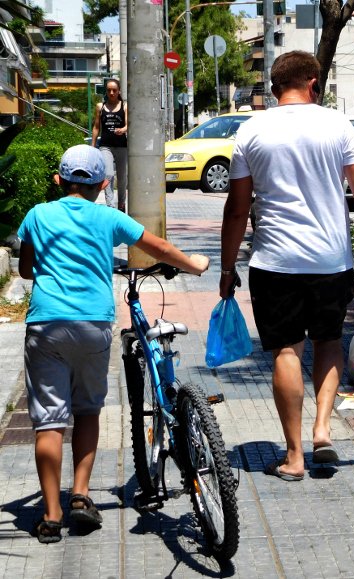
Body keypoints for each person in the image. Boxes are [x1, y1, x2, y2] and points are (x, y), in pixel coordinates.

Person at [17, 145, 210, 543]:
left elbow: (25, 266)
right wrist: (195, 264)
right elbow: (158, 247)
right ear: (103, 184)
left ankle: (51, 515)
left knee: (49, 421)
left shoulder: (38, 215)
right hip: (93, 324)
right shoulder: (108, 216)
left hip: (46, 324)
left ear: (59, 180)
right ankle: (81, 496)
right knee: (87, 410)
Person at [219, 51, 354, 481]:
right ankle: (322, 430)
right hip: (330, 259)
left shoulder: (252, 130)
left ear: (275, 89)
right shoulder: (337, 124)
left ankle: (293, 456)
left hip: (274, 262)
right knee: (329, 341)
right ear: (314, 82)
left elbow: (237, 208)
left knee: (287, 351)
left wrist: (225, 267)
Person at [91, 78, 128, 212]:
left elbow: (128, 124)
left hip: (121, 145)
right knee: (108, 174)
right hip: (105, 145)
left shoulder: (124, 106)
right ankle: (111, 206)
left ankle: (121, 204)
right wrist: (93, 146)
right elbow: (96, 127)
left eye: (114, 90)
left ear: (119, 91)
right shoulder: (100, 107)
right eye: (109, 90)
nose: (111, 93)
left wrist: (123, 130)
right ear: (106, 92)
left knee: (122, 177)